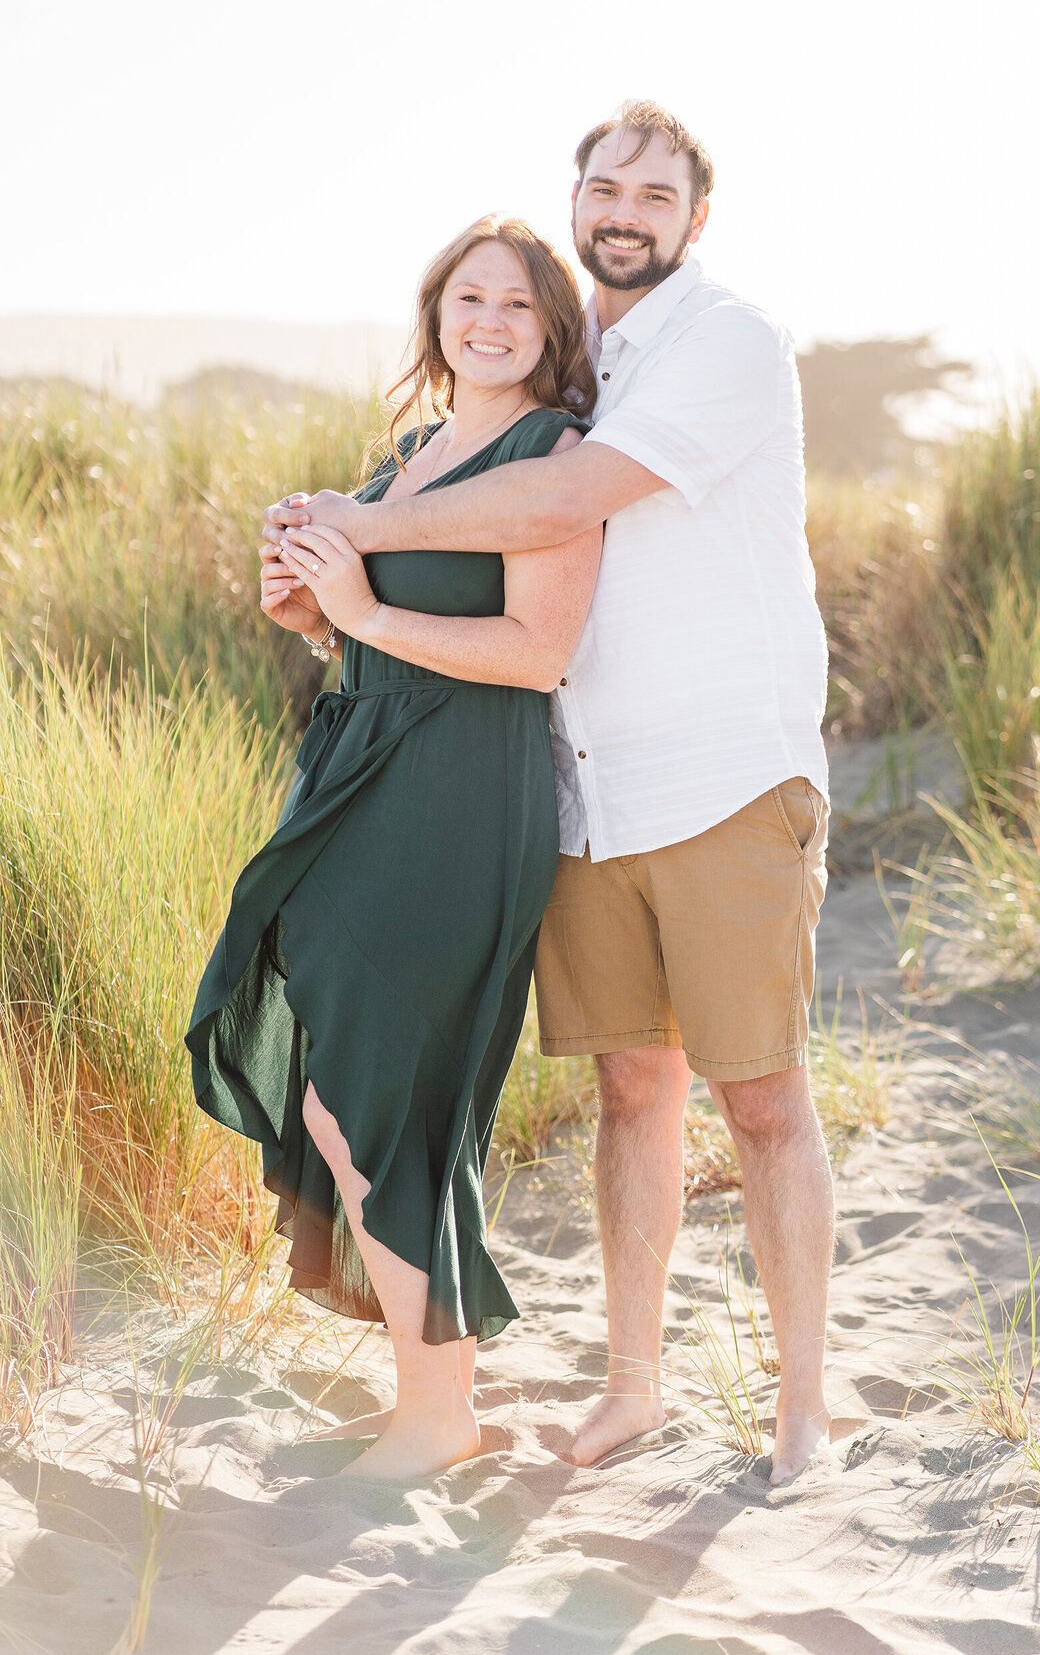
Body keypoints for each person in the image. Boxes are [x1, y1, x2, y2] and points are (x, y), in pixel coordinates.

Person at [263, 102, 834, 1485]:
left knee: (761, 1100)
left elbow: (565, 500)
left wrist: (367, 529)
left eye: (653, 190)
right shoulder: (592, 364)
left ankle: (803, 1413)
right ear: (576, 204)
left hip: (722, 778)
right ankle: (632, 1389)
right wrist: (325, 571)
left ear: (696, 218)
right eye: (602, 186)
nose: (623, 208)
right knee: (636, 1091)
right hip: (587, 794)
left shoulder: (724, 343)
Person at [189, 215, 601, 1481]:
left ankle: (441, 1410)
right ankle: (425, 1392)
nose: (488, 321)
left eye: (518, 306)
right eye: (466, 297)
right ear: (434, 316)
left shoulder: (554, 458)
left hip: (457, 803)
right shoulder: (411, 458)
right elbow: (370, 632)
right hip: (356, 786)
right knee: (337, 1078)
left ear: (551, 334)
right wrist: (317, 618)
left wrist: (365, 603)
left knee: (380, 1090)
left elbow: (539, 654)